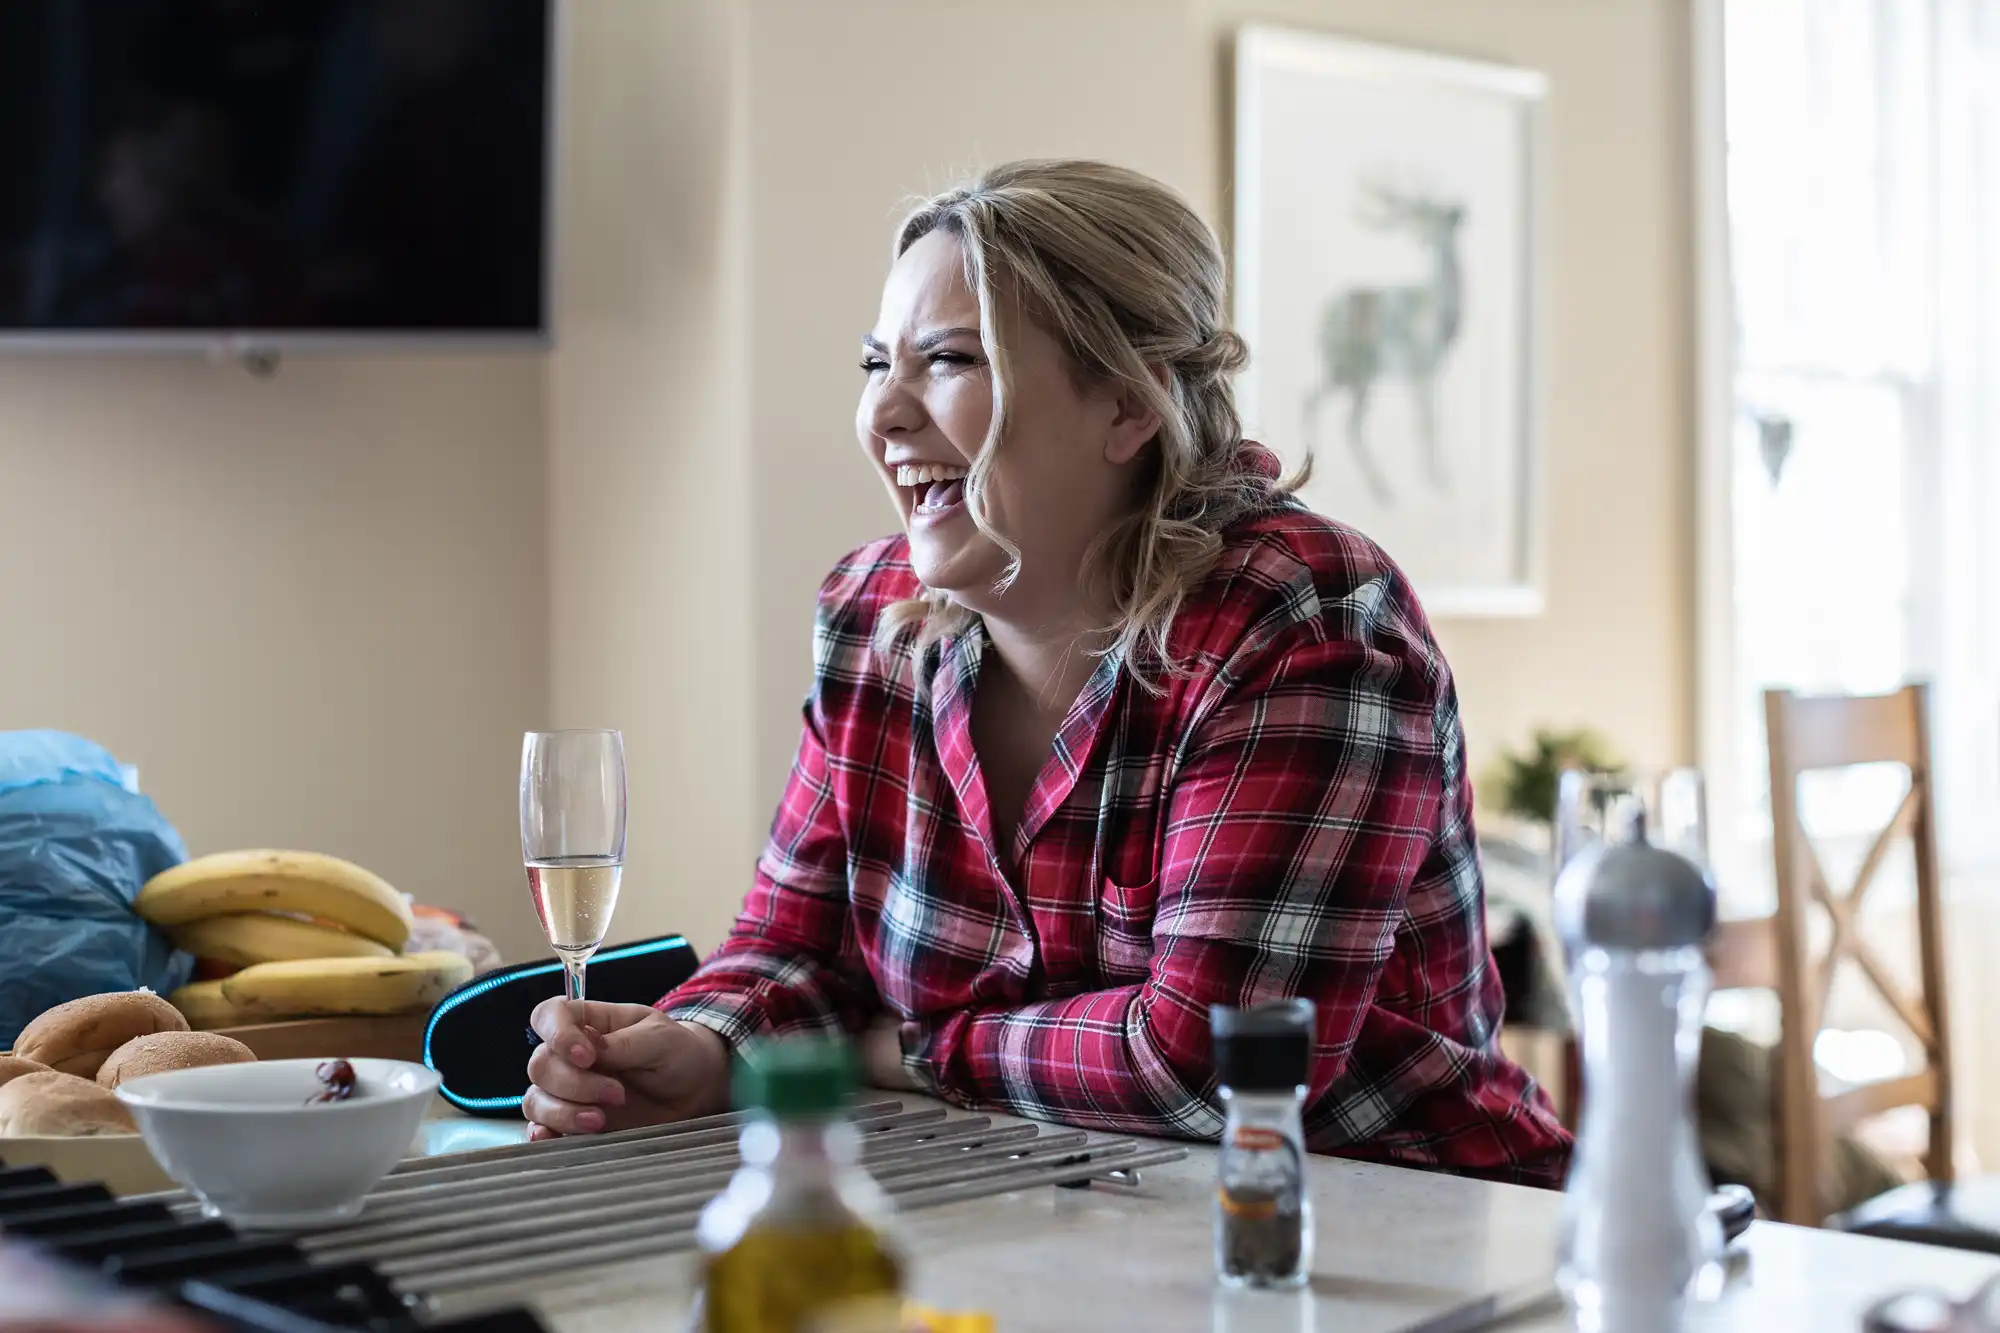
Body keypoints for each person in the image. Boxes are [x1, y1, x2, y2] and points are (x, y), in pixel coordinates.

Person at [524, 160, 1571, 1186]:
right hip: (1047, 1211)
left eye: (947, 361)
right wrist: (704, 1046)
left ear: (1126, 406)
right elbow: (789, 943)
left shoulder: (1300, 617)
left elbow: (1208, 1066)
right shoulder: (866, 617)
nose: (882, 415)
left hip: (1391, 1228)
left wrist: (905, 1050)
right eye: (872, 364)